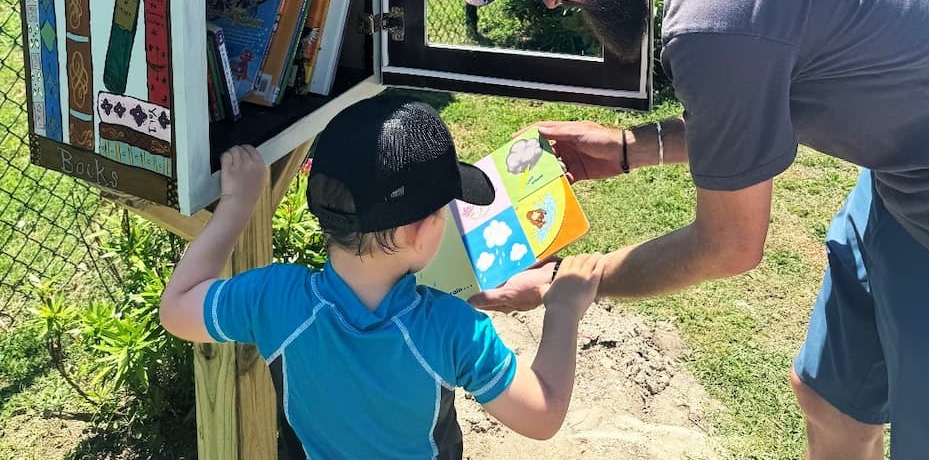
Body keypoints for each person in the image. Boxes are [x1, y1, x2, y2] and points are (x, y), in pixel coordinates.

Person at [464, 0, 929, 460]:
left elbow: (729, 246)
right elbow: (754, 110)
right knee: (829, 400)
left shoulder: (711, 17)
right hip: (907, 167)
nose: (552, 1)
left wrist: (576, 278)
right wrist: (631, 148)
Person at [159, 95, 603, 459]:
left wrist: (237, 205)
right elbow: (542, 414)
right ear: (419, 232)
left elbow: (177, 307)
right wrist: (563, 308)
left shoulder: (274, 299)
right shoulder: (454, 329)